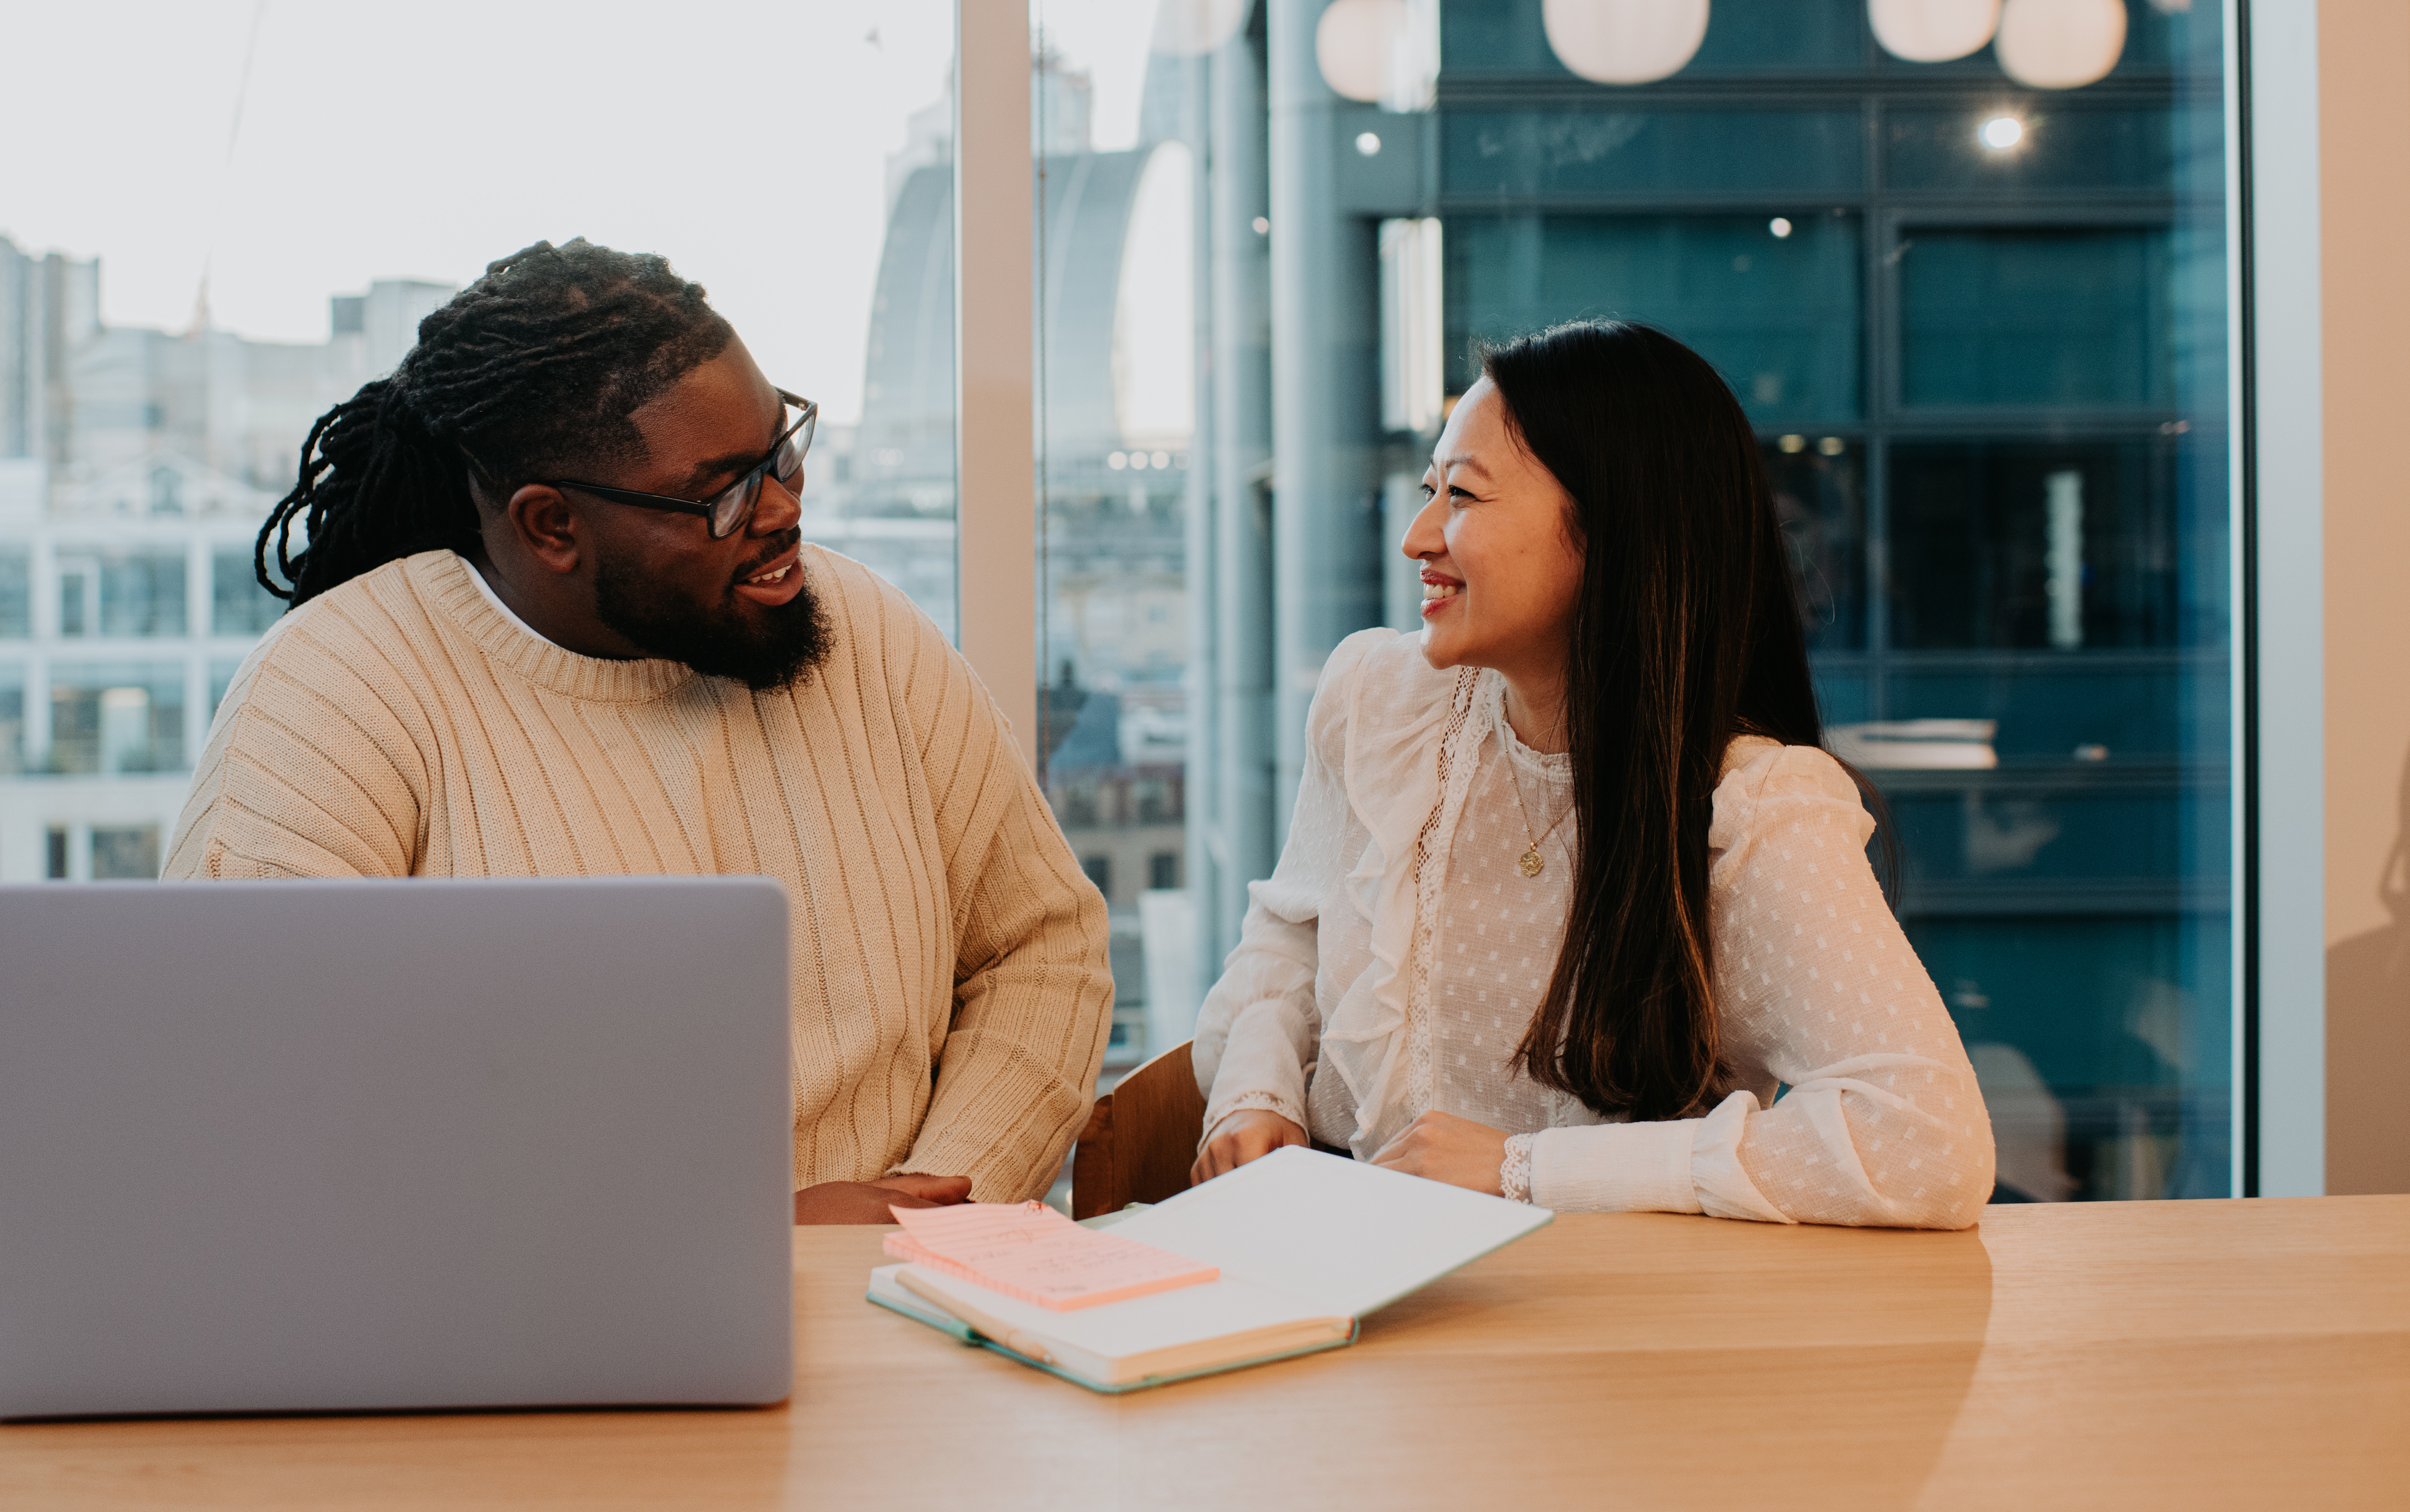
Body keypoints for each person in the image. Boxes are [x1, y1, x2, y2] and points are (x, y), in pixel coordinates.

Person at [166, 239, 1112, 1223]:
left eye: (781, 449)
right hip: (528, 1357)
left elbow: (1040, 948)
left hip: (913, 1303)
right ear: (550, 526)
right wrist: (742, 1253)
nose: (785, 511)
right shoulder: (335, 694)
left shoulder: (866, 631)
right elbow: (263, 1130)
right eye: (724, 494)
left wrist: (924, 1219)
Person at [1190, 320, 1995, 1227]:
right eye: (1429, 490)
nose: (1418, 536)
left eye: (1461, 495)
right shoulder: (1379, 701)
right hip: (1356, 1277)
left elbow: (1928, 1139)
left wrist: (1522, 1169)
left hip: (1611, 1324)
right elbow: (1293, 933)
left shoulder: (1750, 807)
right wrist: (1256, 1092)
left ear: (1612, 528)